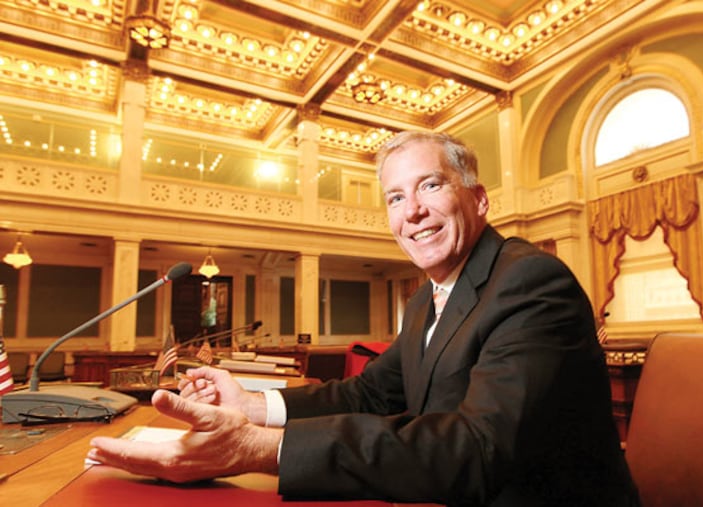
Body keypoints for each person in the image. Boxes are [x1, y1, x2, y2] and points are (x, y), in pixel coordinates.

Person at [88, 131, 640, 506]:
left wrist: (261, 449)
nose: (412, 212)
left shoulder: (530, 281)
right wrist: (252, 406)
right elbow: (368, 396)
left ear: (478, 199)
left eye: (430, 186)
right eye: (395, 197)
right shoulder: (427, 298)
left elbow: (478, 446)